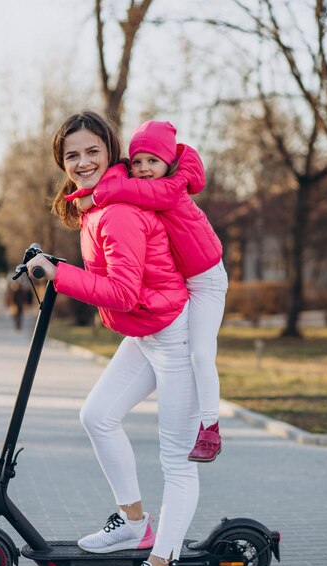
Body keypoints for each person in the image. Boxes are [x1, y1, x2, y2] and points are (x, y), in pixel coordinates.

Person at [26, 111, 201, 566]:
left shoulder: (117, 208)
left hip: (172, 338)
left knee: (177, 463)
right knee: (98, 415)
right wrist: (61, 268)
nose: (82, 162)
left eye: (92, 152)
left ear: (111, 150)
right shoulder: (97, 204)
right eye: (72, 155)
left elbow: (122, 292)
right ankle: (134, 523)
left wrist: (59, 274)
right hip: (148, 332)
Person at [70, 120, 228, 463]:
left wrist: (96, 195)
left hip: (208, 281)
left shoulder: (173, 186)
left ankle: (211, 428)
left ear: (168, 162)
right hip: (186, 282)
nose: (143, 169)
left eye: (152, 161)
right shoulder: (149, 183)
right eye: (137, 161)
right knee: (100, 416)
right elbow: (124, 186)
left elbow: (134, 192)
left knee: (201, 354)